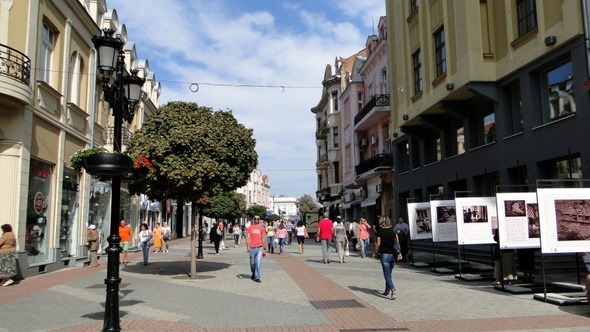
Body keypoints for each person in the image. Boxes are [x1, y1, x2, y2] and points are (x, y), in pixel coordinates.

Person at [372, 216, 402, 300]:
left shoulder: (380, 231)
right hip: (393, 254)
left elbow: (378, 244)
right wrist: (399, 253)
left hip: (384, 254)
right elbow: (396, 243)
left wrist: (374, 253)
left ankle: (393, 289)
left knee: (386, 274)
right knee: (389, 273)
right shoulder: (393, 230)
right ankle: (386, 291)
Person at [246, 215, 267, 283]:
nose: (256, 220)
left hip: (259, 247)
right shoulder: (250, 228)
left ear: (259, 219)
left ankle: (257, 276)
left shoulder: (261, 228)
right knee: (252, 263)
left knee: (258, 262)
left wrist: (264, 248)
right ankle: (253, 273)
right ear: (253, 219)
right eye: (255, 219)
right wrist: (248, 246)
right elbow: (248, 238)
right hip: (252, 247)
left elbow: (263, 238)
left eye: (258, 219)